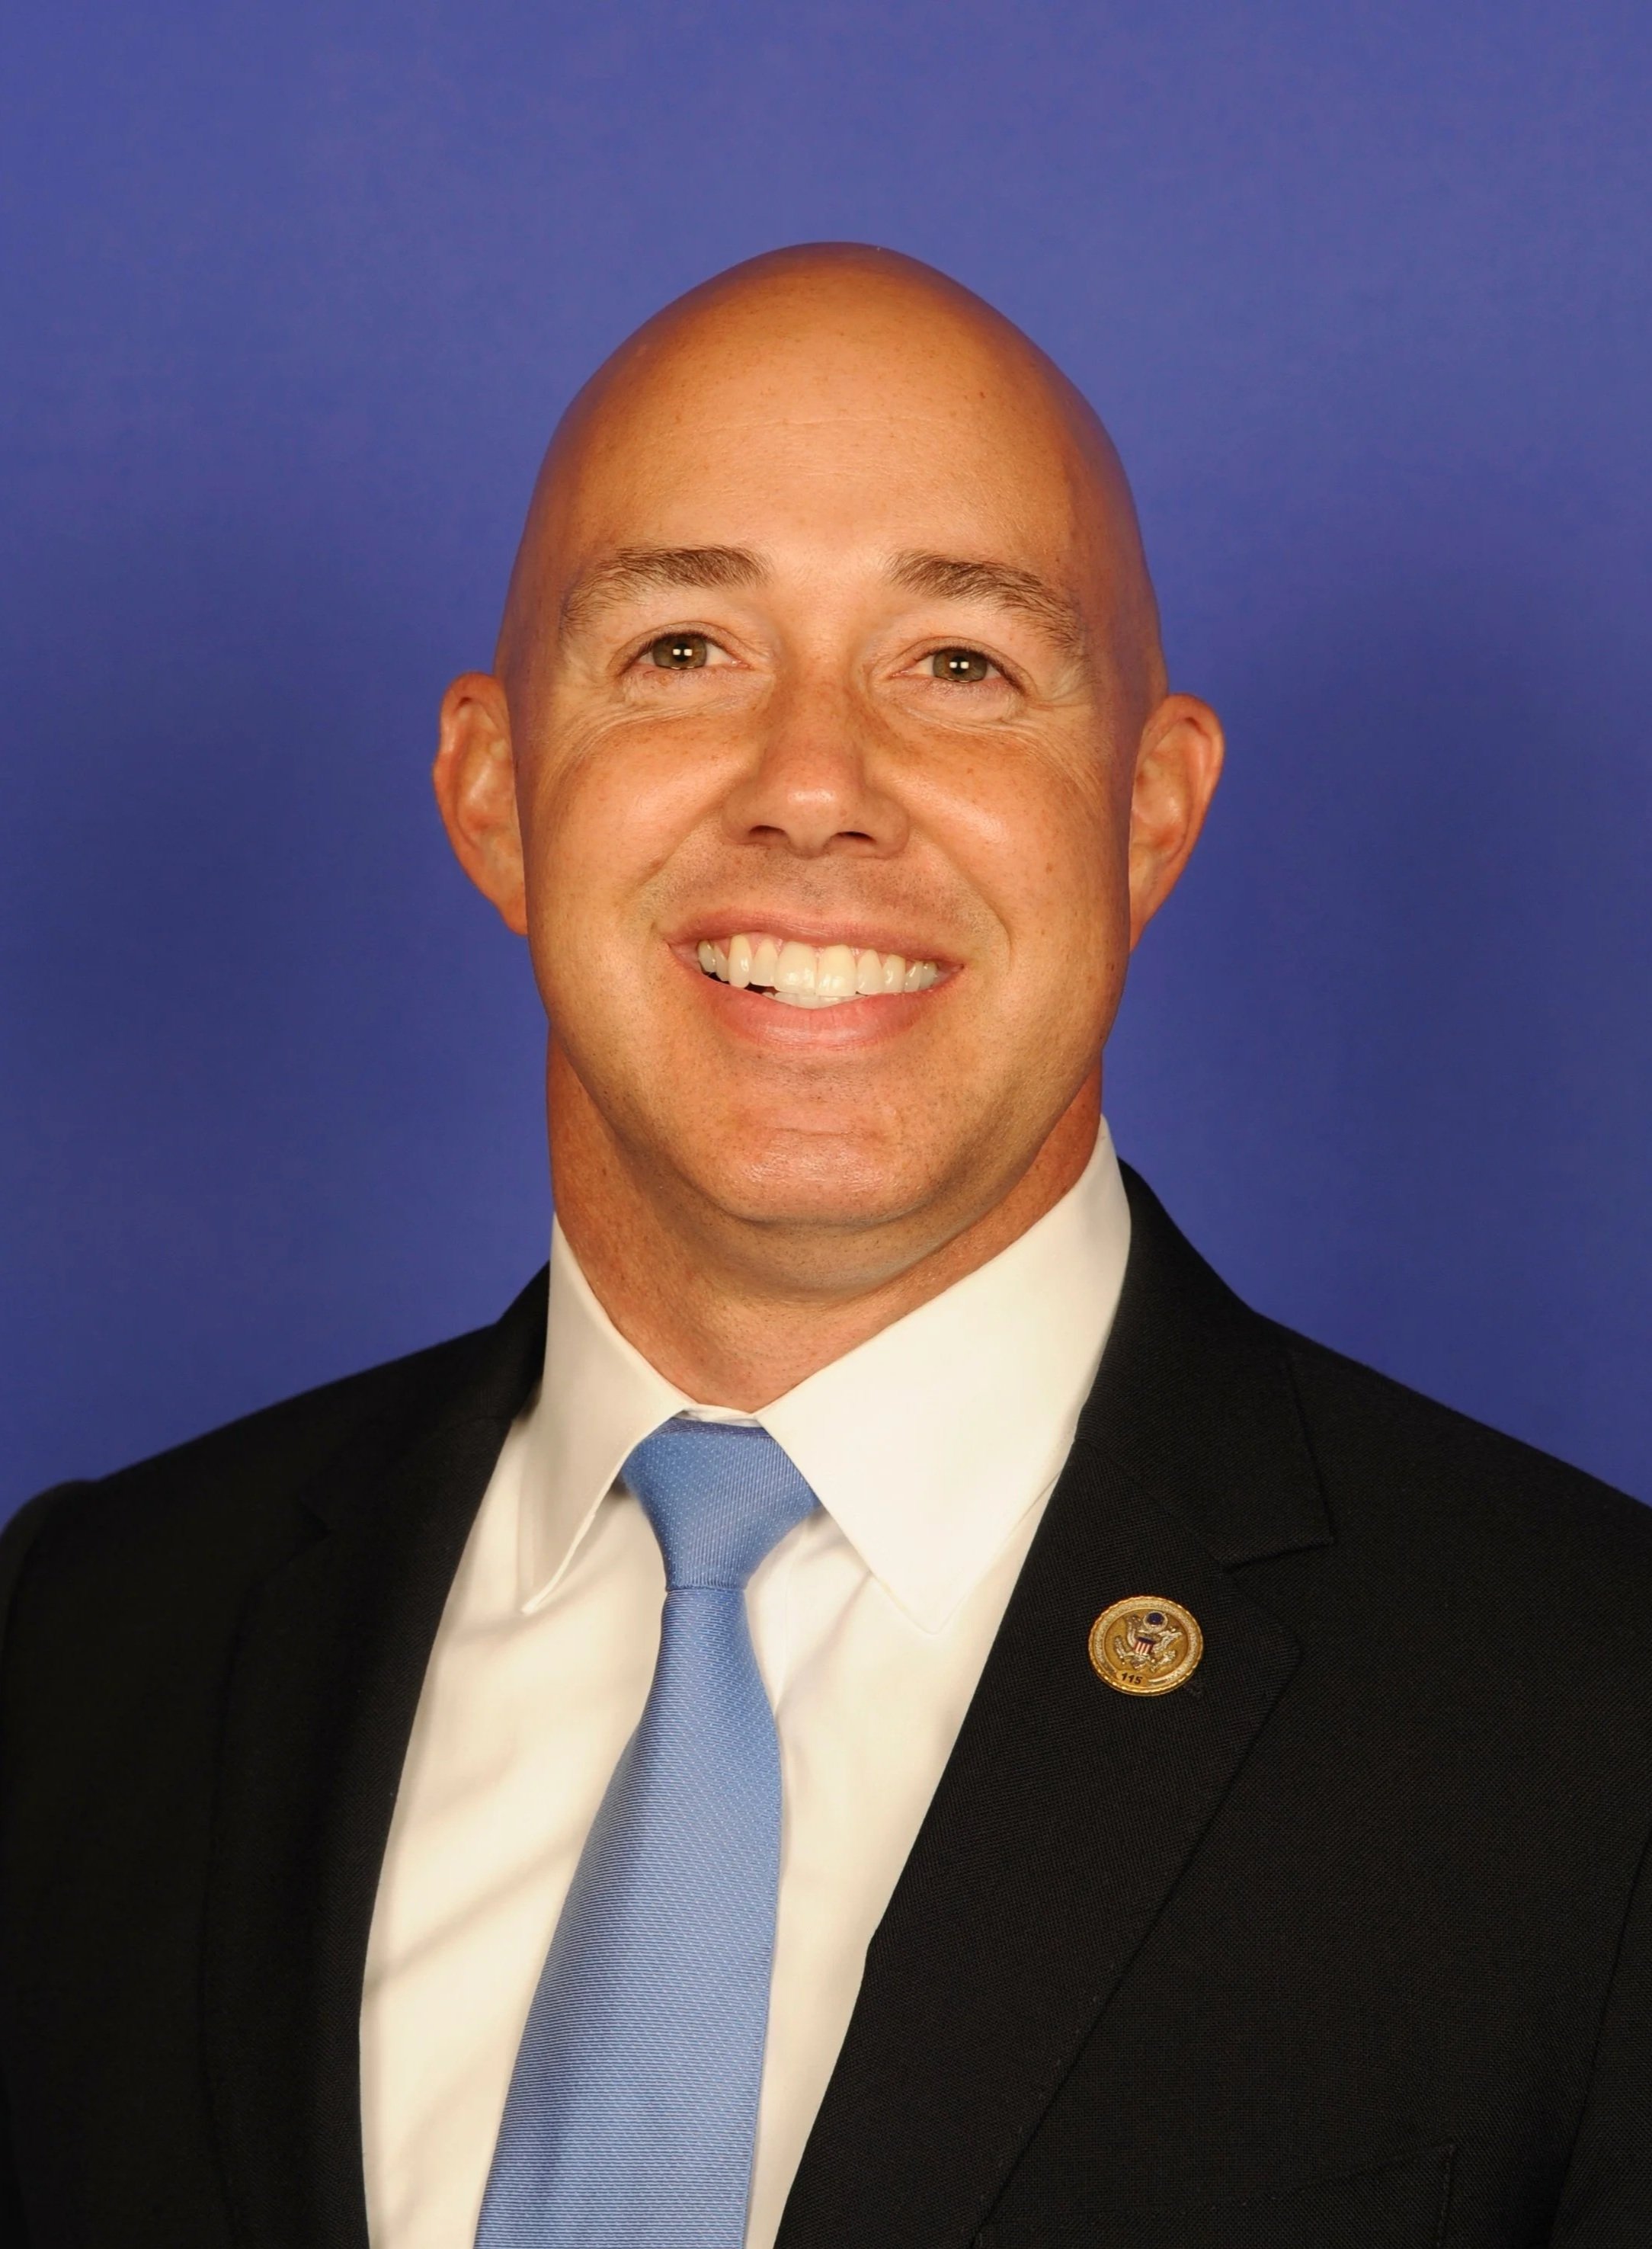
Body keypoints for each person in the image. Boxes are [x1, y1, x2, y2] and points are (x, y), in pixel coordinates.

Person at [2, 244, 1650, 2249]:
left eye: (961, 663)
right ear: (494, 792)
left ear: (1150, 812)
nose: (812, 788)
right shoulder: (78, 1655)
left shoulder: (1594, 1728)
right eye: (684, 646)